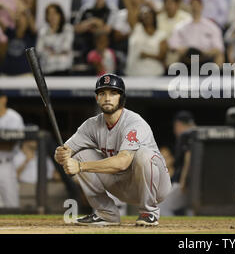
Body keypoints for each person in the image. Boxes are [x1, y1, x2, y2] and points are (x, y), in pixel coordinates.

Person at [54, 74, 172, 226]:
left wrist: (81, 167)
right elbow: (66, 152)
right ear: (97, 98)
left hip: (155, 186)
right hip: (121, 185)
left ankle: (148, 212)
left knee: (144, 155)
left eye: (113, 93)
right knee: (79, 155)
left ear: (122, 98)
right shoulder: (91, 125)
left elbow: (122, 162)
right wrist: (61, 155)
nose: (107, 98)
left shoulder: (134, 123)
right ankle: (106, 214)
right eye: (102, 93)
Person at [168, 0, 225, 68]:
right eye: (193, 5)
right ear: (189, 7)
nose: (195, 8)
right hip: (186, 58)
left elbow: (219, 47)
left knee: (219, 56)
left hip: (205, 58)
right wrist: (182, 50)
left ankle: (215, 76)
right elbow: (173, 45)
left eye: (197, 5)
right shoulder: (181, 26)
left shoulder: (211, 27)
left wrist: (206, 52)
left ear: (201, 7)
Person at [159, 111, 196, 216]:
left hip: (183, 182)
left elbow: (188, 158)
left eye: (176, 126)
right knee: (190, 208)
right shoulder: (195, 133)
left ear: (178, 124)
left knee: (162, 206)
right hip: (195, 183)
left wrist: (183, 180)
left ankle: (169, 230)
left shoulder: (188, 135)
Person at [126, 6, 168, 76]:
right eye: (144, 14)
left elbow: (162, 56)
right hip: (134, 73)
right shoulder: (136, 28)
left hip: (155, 73)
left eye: (150, 14)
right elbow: (130, 8)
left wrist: (147, 55)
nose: (147, 16)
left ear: (154, 16)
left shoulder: (161, 35)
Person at [0, 90, 25, 208]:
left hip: (6, 165)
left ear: (4, 99)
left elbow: (10, 145)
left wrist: (5, 143)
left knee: (12, 206)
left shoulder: (14, 117)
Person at [35, 4, 75, 75]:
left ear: (60, 15)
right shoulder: (42, 31)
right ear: (46, 17)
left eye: (55, 13)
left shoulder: (68, 29)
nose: (52, 16)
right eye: (49, 14)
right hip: (46, 70)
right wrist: (57, 51)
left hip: (64, 69)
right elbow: (39, 51)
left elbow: (66, 48)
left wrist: (49, 49)